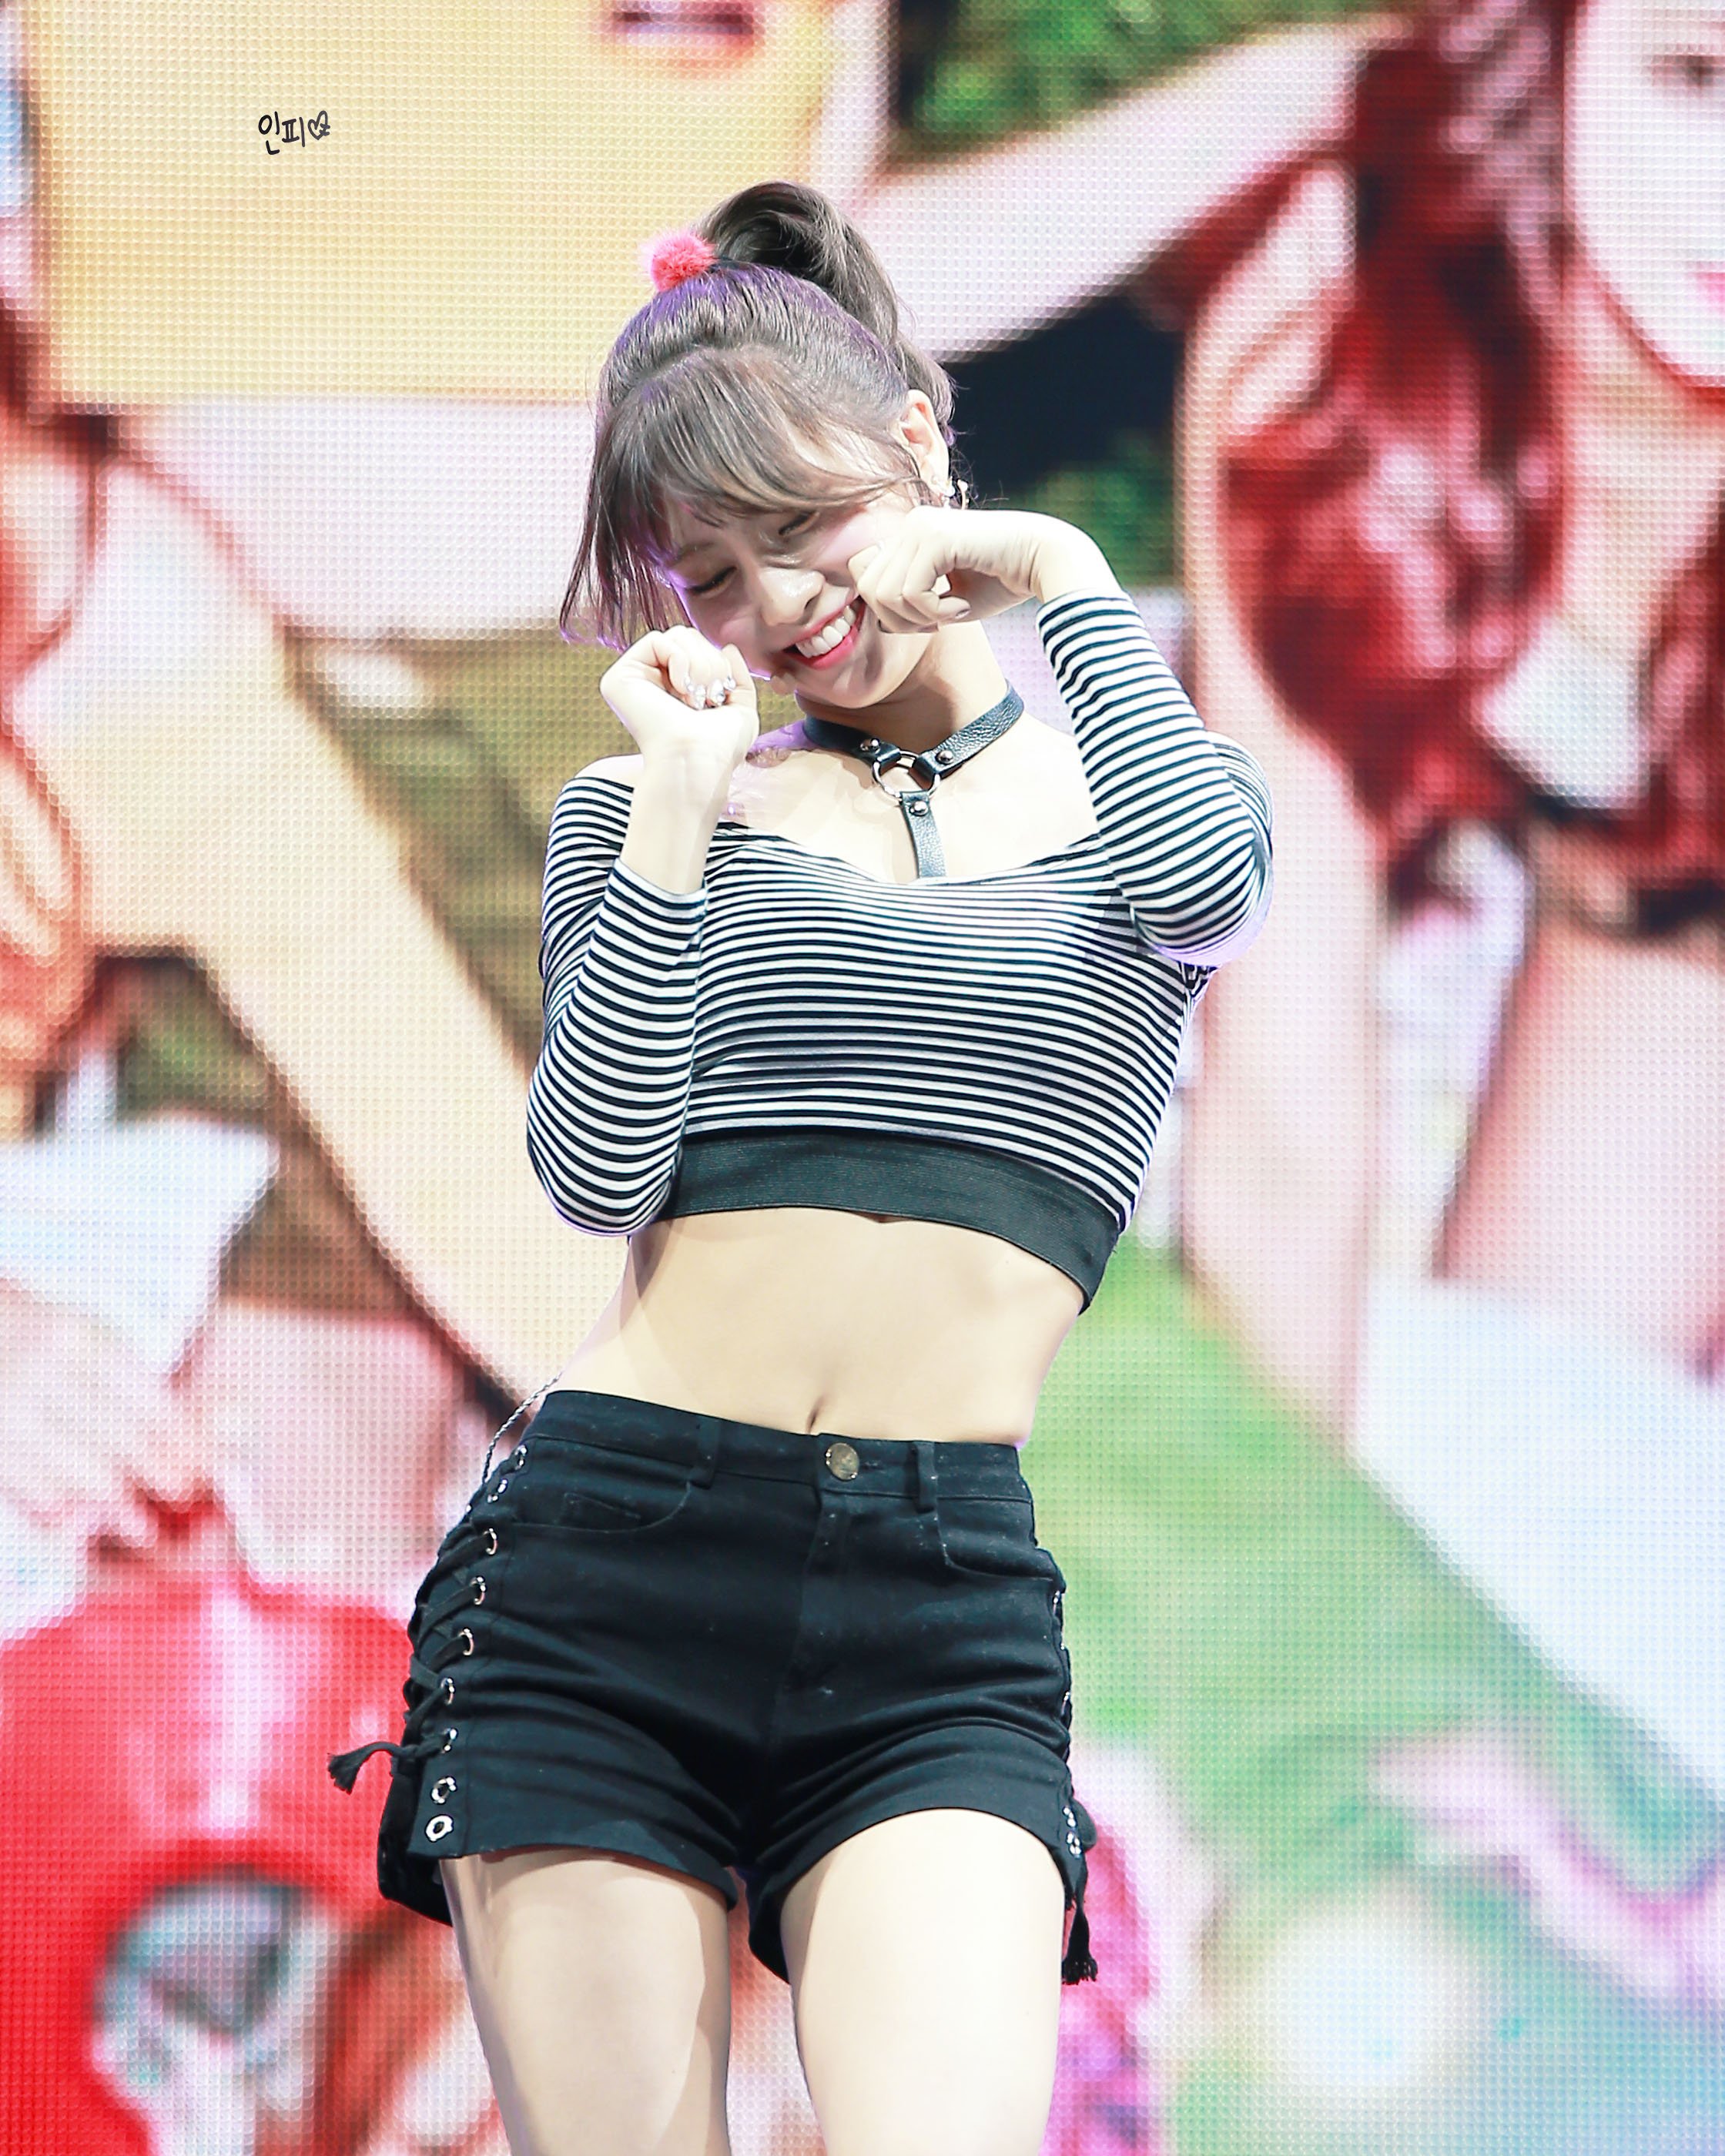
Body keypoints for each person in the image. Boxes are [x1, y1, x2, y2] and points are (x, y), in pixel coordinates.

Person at [332, 178, 1273, 2156]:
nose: (778, 605)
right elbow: (594, 1168)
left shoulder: (1124, 794)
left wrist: (1058, 568)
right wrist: (676, 818)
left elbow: (1207, 888)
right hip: (610, 1571)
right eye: (714, 575)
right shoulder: (655, 815)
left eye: (804, 524)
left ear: (918, 437)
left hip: (935, 1602)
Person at [1174, 0, 1725, 1802]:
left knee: (1617, 1592)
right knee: (1435, 1486)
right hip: (1601, 872)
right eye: (1697, 79)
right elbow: (1282, 1089)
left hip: (1677, 911)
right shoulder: (1335, 356)